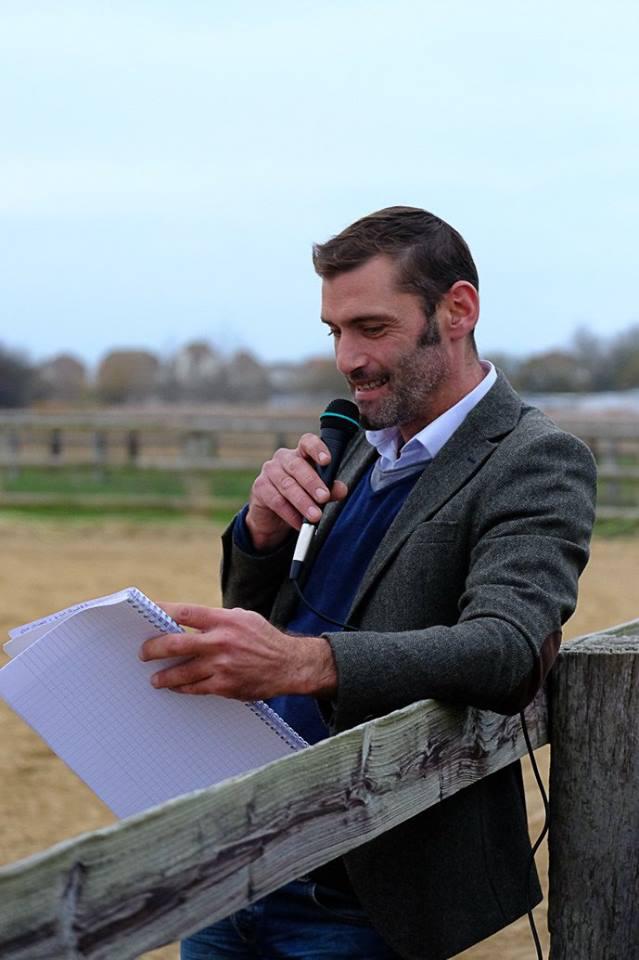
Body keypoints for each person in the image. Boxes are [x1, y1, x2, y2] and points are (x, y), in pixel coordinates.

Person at [140, 207, 597, 959]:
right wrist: (260, 531)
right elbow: (262, 614)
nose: (348, 358)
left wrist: (308, 662)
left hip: (364, 897)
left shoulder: (535, 459)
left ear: (457, 311)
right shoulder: (353, 440)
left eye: (372, 328)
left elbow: (505, 651)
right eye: (335, 331)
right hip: (240, 862)